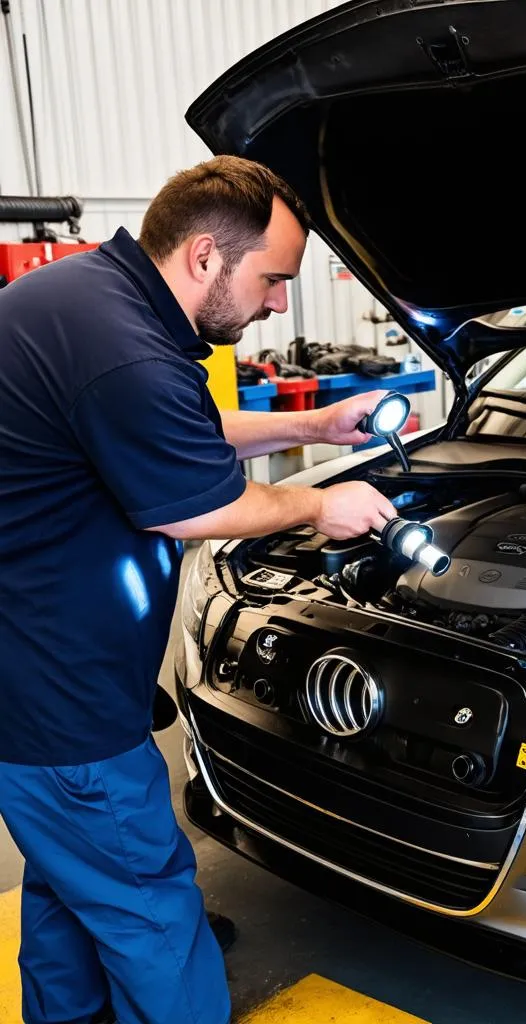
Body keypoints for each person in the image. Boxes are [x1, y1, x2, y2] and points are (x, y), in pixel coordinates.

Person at [0, 155, 398, 1024]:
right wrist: (319, 502)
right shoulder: (122, 347)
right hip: (58, 695)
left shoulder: (96, 302)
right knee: (147, 898)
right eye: (274, 279)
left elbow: (181, 428)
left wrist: (312, 423)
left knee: (72, 877)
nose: (280, 306)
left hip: (31, 668)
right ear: (208, 255)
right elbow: (202, 507)